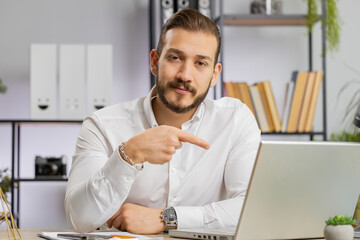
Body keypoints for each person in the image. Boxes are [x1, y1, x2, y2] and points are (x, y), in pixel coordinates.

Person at [65, 8, 260, 234]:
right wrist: (127, 155)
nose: (185, 75)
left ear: (215, 74)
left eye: (200, 63)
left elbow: (251, 209)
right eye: (175, 58)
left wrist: (167, 218)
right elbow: (79, 218)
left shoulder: (235, 120)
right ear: (155, 61)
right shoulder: (101, 125)